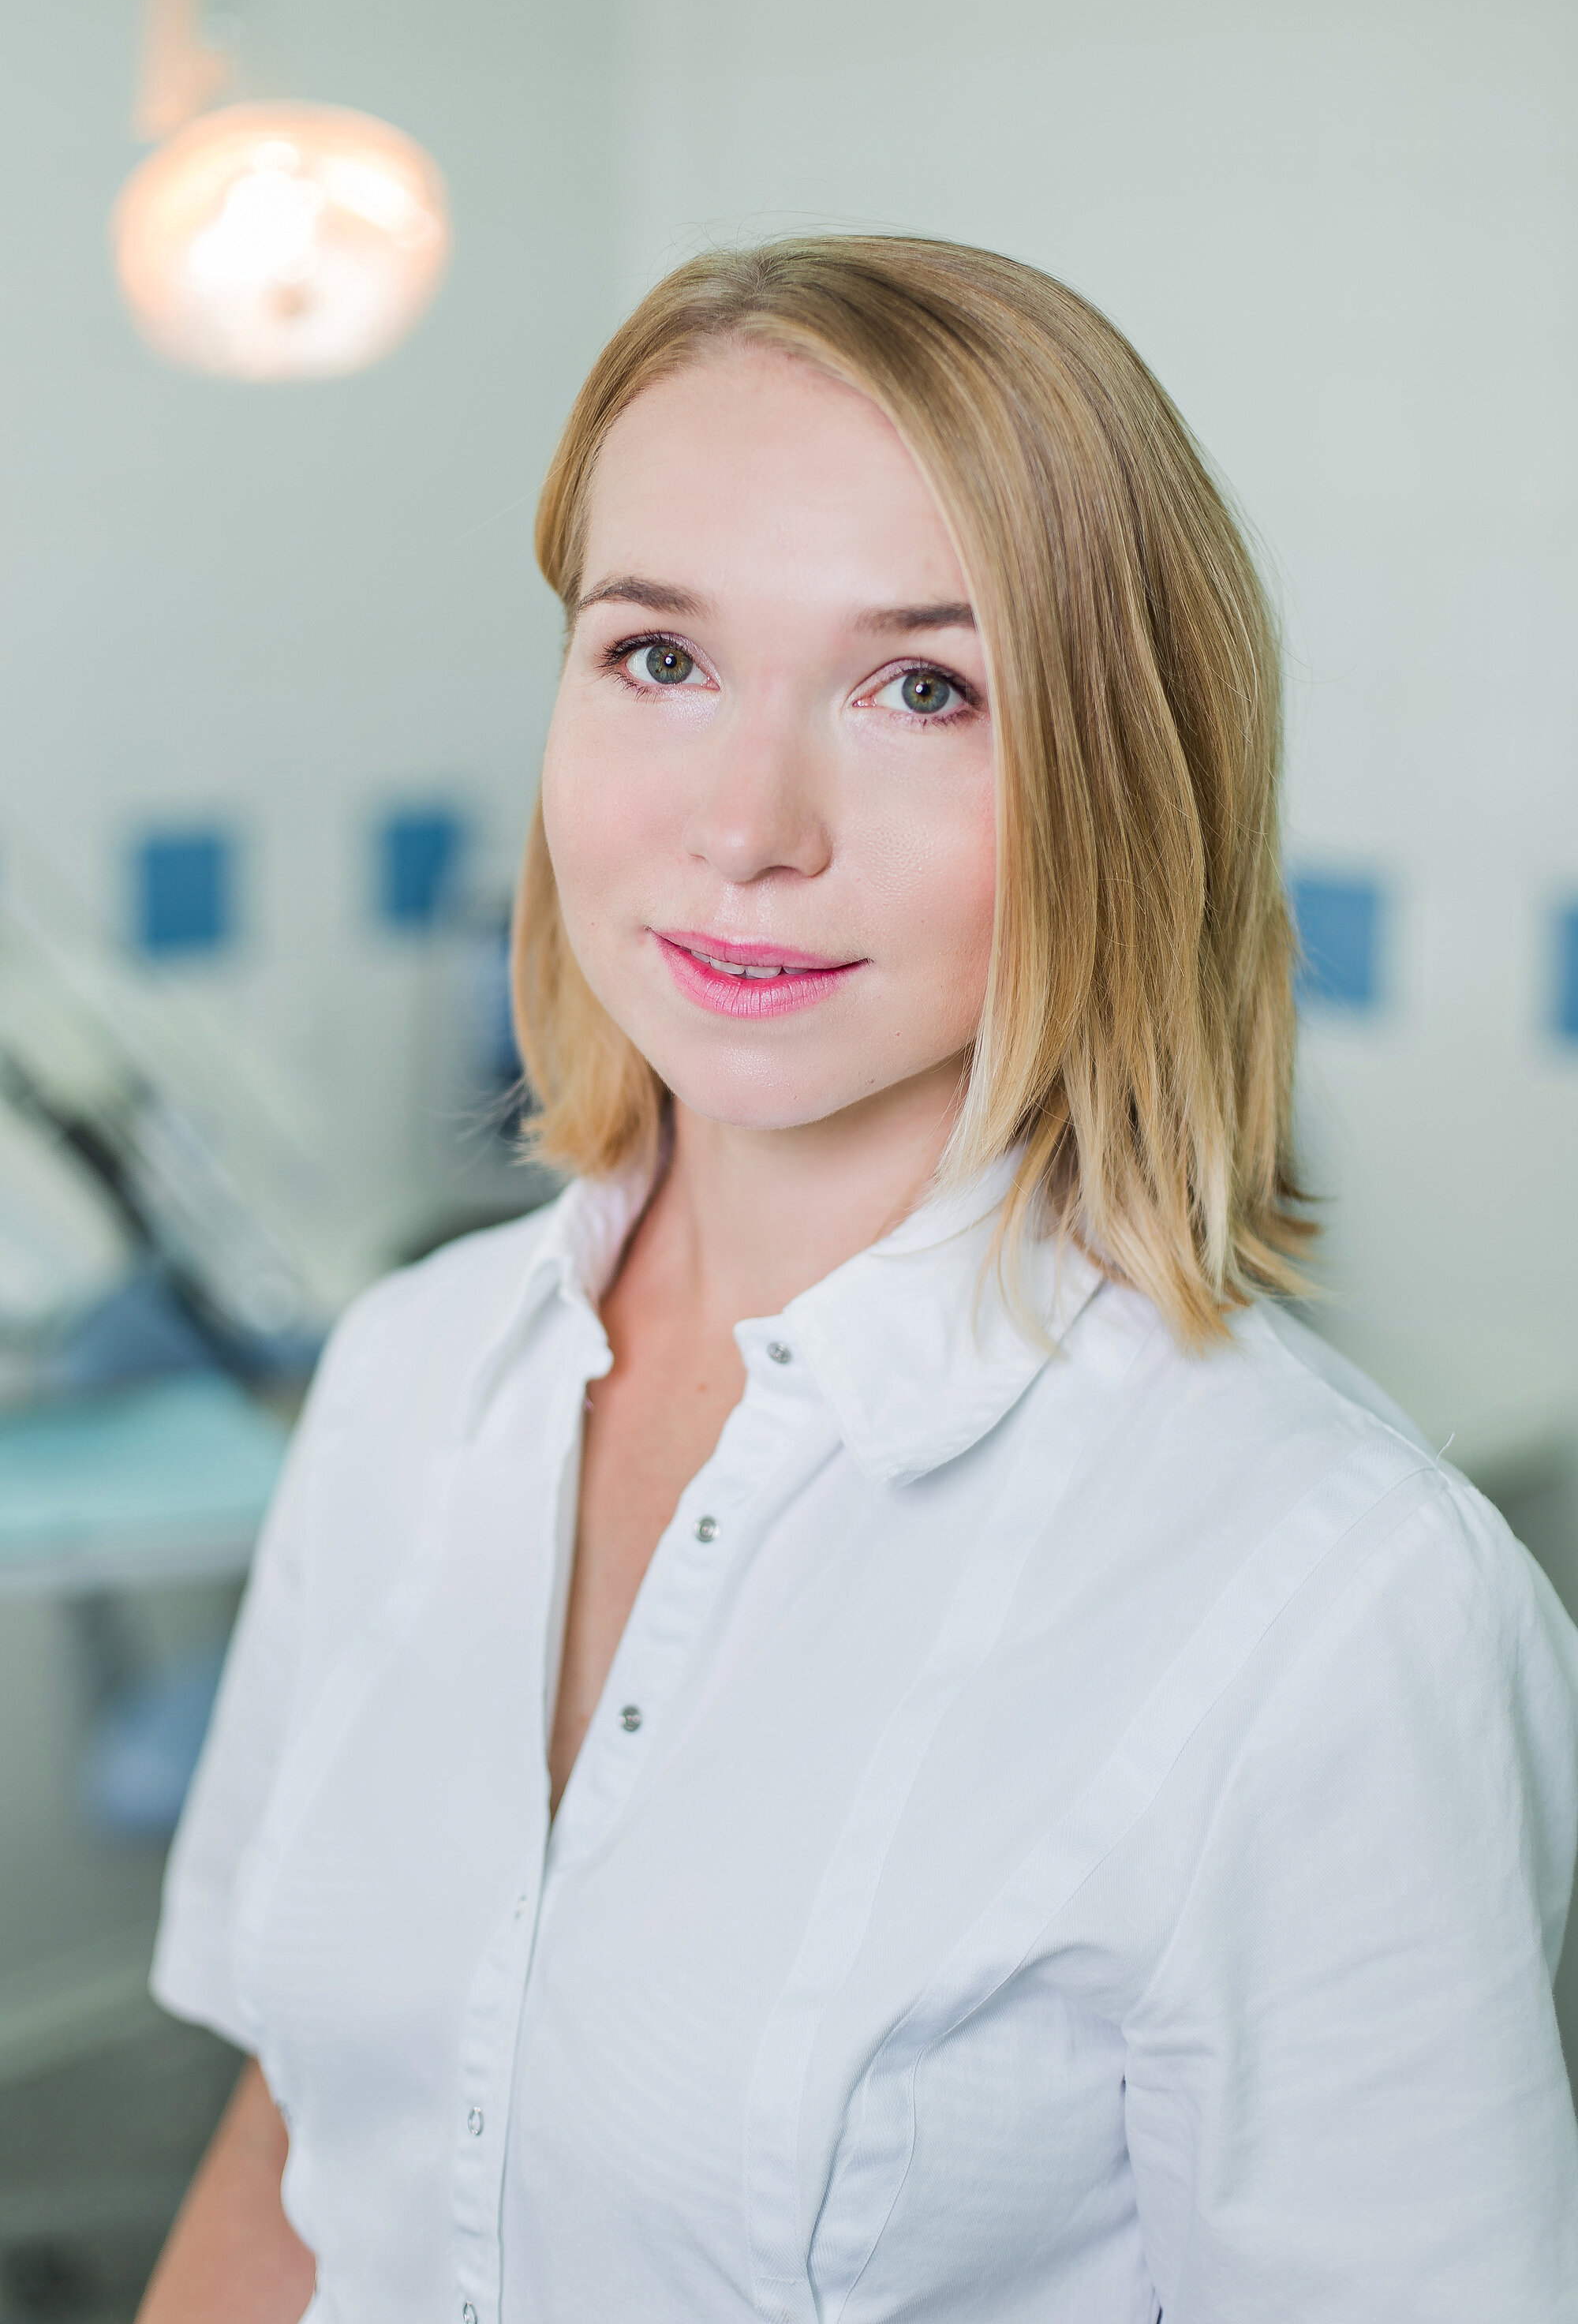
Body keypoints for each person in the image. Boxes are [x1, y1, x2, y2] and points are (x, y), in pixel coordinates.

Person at [139, 238, 1578, 2324]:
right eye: (658, 657)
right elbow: (297, 2155)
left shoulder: (1343, 1613)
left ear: (1126, 781)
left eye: (924, 690)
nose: (747, 827)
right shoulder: (409, 1375)